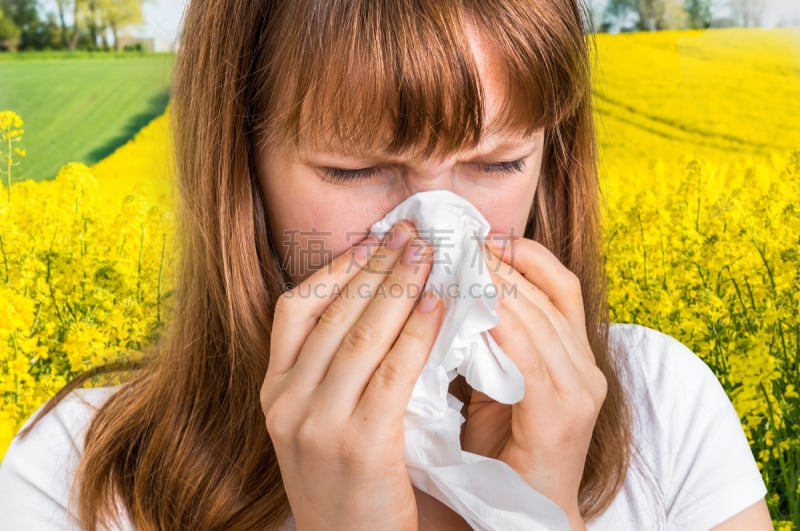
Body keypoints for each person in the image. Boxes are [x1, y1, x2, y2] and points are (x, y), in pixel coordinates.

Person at [0, 0, 773, 529]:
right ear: (241, 167)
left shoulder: (665, 411)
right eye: (353, 170)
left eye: (499, 163)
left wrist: (537, 512)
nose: (436, 237)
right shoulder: (80, 474)